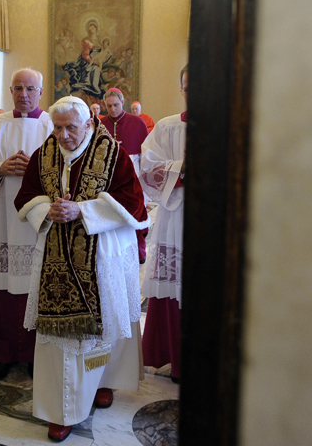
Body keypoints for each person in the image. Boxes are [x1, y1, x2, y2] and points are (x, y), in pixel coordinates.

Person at [15, 96, 150, 442]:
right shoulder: (44, 153)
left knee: (109, 323)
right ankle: (62, 409)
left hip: (103, 253)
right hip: (56, 258)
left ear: (88, 124)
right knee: (61, 341)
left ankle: (106, 382)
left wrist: (84, 212)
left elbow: (133, 201)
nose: (62, 135)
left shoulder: (113, 153)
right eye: (57, 127)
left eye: (70, 128)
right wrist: (45, 209)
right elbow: (27, 193)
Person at [0, 68, 54, 381]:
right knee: (4, 288)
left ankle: (35, 355)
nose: (24, 94)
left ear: (41, 91)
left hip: (39, 222)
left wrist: (39, 171)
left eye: (31, 88)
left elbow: (68, 171)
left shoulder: (52, 125)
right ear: (10, 90)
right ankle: (2, 353)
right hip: (4, 218)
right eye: (18, 88)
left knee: (36, 286)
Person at [139, 64, 188, 384]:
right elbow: (148, 167)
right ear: (182, 88)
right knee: (173, 285)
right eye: (188, 85)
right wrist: (183, 168)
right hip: (176, 214)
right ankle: (176, 358)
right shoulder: (169, 127)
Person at [101, 87, 150, 262]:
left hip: (133, 168)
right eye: (108, 106)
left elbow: (146, 152)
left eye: (116, 105)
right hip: (108, 172)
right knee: (112, 209)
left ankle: (139, 249)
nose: (112, 109)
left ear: (123, 103)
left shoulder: (137, 123)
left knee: (134, 209)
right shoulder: (100, 124)